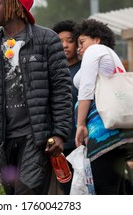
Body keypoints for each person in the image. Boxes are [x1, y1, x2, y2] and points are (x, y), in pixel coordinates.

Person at [0, 0, 73, 195]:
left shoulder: (46, 40)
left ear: (14, 6)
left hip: (37, 136)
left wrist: (60, 133)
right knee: (12, 192)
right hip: (4, 138)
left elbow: (61, 90)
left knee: (26, 190)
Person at [73, 19, 133, 194]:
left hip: (106, 136)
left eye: (81, 42)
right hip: (122, 136)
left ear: (97, 39)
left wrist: (80, 124)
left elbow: (86, 89)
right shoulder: (109, 55)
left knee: (104, 191)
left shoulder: (95, 50)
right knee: (115, 190)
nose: (78, 48)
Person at [52, 20, 81, 194]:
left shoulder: (86, 68)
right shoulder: (51, 71)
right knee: (67, 189)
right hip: (60, 143)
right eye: (60, 41)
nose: (64, 45)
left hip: (82, 141)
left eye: (69, 40)